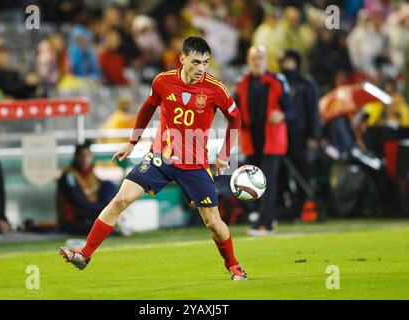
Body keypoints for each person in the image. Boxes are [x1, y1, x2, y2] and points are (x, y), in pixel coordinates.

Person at [59, 36, 247, 280]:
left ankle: (233, 265)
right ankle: (85, 254)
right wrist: (132, 142)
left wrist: (223, 154)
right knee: (120, 200)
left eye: (206, 62)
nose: (201, 68)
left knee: (213, 222)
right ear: (182, 59)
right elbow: (148, 107)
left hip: (194, 164)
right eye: (196, 61)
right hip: (161, 156)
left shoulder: (216, 89)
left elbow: (236, 118)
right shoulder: (163, 81)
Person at [235, 45, 292, 236]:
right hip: (251, 140)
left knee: (267, 181)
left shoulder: (278, 81)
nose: (256, 61)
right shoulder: (242, 84)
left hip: (272, 140)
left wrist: (282, 115)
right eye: (253, 58)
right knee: (253, 181)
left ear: (267, 60)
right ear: (248, 60)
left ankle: (265, 223)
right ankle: (264, 217)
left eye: (260, 57)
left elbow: (292, 110)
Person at [279, 49, 321, 219]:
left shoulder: (306, 83)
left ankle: (304, 207)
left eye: (289, 61)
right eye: (284, 61)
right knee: (282, 173)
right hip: (282, 136)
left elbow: (313, 111)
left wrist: (314, 135)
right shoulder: (279, 82)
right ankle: (287, 207)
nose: (286, 65)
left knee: (302, 173)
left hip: (301, 136)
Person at [57, 142, 116, 235]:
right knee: (104, 231)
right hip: (74, 218)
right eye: (82, 155)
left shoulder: (91, 173)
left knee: (109, 185)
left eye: (88, 155)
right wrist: (102, 208)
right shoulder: (69, 176)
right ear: (76, 157)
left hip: (91, 212)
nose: (85, 159)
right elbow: (78, 202)